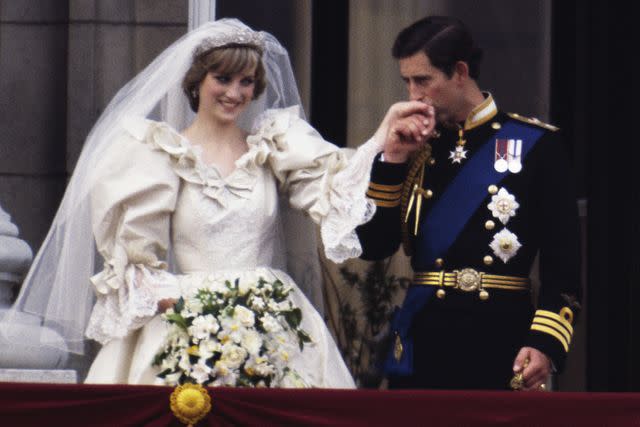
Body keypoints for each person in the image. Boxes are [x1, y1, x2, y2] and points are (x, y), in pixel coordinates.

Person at [1, 19, 427, 387]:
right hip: (185, 324)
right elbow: (136, 267)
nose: (235, 93)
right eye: (222, 79)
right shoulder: (157, 154)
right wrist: (205, 315)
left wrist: (381, 144)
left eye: (246, 82)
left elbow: (335, 191)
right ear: (197, 82)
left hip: (273, 324)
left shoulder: (274, 145)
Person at [357, 15, 581, 391]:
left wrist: (544, 343)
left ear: (459, 71)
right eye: (407, 81)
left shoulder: (537, 146)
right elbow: (373, 246)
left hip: (501, 340)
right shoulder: (412, 147)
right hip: (424, 341)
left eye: (423, 80)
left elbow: (565, 266)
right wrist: (392, 161)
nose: (413, 95)